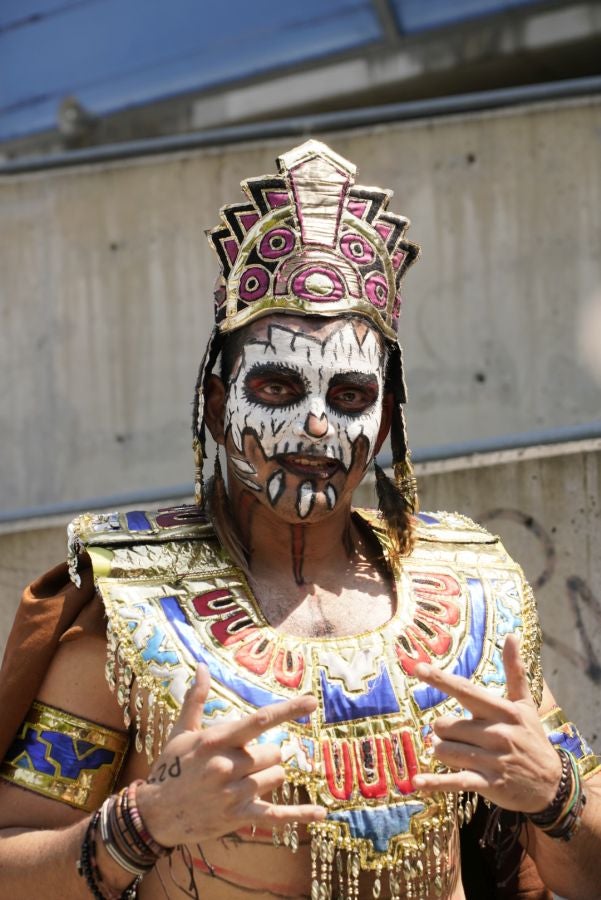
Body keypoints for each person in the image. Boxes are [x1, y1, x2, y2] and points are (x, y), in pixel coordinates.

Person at [0, 139, 599, 900]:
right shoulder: (130, 611)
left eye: (348, 396)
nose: (315, 429)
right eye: (279, 387)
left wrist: (556, 797)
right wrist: (142, 824)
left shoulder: (475, 597)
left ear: (382, 426)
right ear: (218, 408)